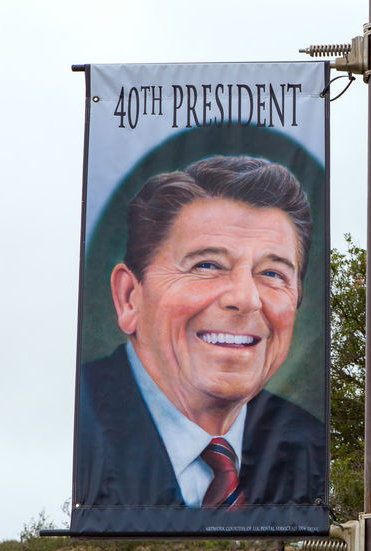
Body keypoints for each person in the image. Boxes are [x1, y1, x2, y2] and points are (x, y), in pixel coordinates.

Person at [75, 156, 325, 511]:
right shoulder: (73, 430)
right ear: (129, 297)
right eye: (206, 265)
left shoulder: (314, 448)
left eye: (272, 273)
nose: (246, 299)